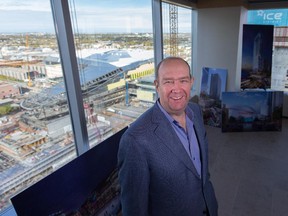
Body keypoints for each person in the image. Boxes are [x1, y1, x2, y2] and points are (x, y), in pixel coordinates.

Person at [117, 57, 218, 216]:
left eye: (183, 80)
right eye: (168, 82)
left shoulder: (196, 112)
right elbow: (134, 209)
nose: (176, 89)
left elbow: (202, 172)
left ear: (191, 82)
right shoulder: (134, 140)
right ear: (157, 85)